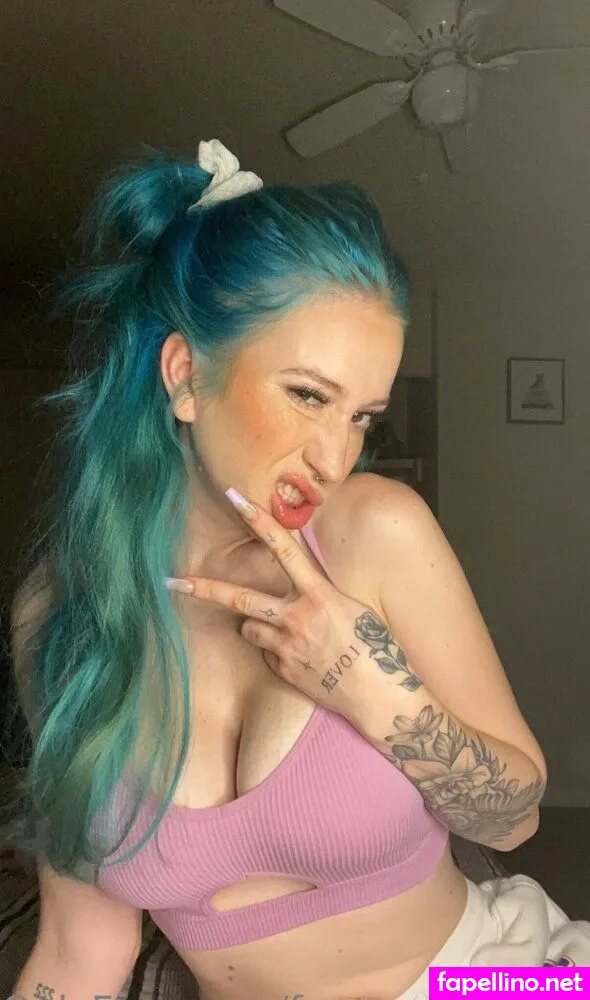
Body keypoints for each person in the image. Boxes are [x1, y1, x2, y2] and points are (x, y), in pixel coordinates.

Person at [7, 139, 590, 1000]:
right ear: (186, 376)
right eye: (309, 396)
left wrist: (373, 690)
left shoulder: (374, 532)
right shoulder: (61, 616)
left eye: (362, 417)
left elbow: (513, 821)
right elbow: (80, 951)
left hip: (488, 980)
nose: (334, 456)